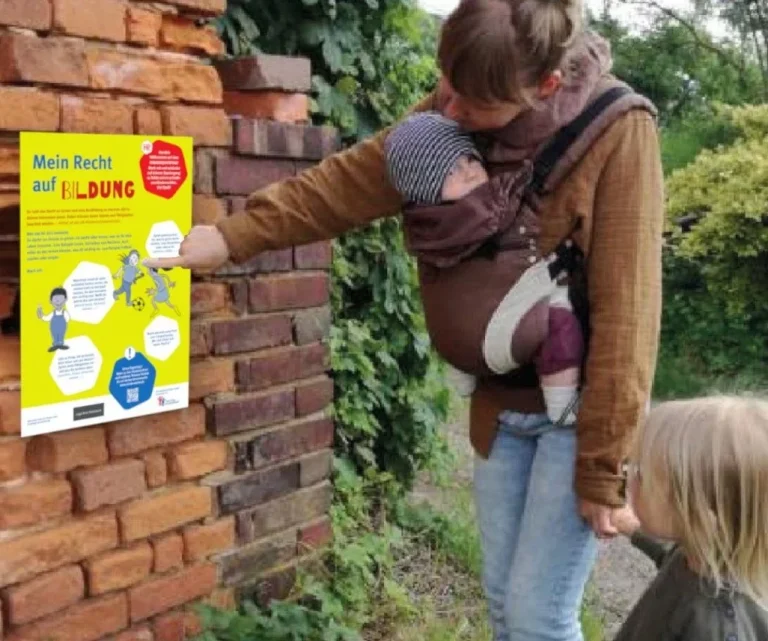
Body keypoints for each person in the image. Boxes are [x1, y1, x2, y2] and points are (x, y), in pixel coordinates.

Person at [146, 1, 664, 639]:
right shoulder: (463, 94)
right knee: (505, 603)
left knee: (538, 616)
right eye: (445, 87)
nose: (447, 111)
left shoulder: (617, 130)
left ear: (545, 87)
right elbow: (348, 182)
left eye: (470, 106)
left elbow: (629, 311)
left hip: (577, 416)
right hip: (498, 409)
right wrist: (230, 237)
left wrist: (605, 470)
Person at [385, 111, 585, 425]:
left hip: (451, 344)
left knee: (453, 301)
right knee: (559, 319)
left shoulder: (417, 229)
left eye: (470, 160)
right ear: (425, 187)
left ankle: (464, 379)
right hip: (501, 341)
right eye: (450, 170)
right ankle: (562, 405)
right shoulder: (483, 206)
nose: (468, 173)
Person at [610, 397, 768, 641]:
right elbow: (667, 555)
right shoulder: (700, 555)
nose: (628, 477)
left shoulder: (714, 629)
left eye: (640, 473)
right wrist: (631, 527)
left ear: (700, 513)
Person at [38, 287, 70, 352]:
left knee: (61, 334)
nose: (58, 301)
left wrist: (65, 322)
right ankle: (56, 344)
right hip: (54, 327)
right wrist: (40, 313)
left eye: (61, 299)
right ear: (50, 301)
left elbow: (67, 319)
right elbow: (46, 318)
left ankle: (60, 344)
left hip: (62, 327)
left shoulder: (64, 312)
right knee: (55, 335)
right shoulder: (53, 313)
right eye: (55, 299)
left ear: (65, 300)